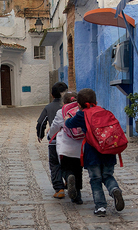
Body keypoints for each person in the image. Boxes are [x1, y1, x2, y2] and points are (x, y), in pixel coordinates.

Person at [65, 88, 125, 216]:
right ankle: (115, 190)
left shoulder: (82, 114)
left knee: (95, 180)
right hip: (109, 151)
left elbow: (70, 124)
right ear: (95, 101)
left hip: (93, 154)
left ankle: (101, 207)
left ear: (79, 105)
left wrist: (66, 119)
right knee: (108, 176)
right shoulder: (103, 111)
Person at [47, 92, 84, 204]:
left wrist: (49, 136)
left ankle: (68, 177)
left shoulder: (61, 112)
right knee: (78, 170)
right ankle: (77, 197)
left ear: (64, 102)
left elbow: (55, 127)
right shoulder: (81, 111)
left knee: (64, 168)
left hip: (65, 147)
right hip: (80, 147)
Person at [36, 81, 68, 198]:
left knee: (55, 164)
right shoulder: (71, 107)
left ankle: (59, 189)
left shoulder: (49, 107)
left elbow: (41, 122)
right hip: (71, 140)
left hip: (54, 141)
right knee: (69, 162)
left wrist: (40, 134)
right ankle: (70, 179)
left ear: (52, 94)